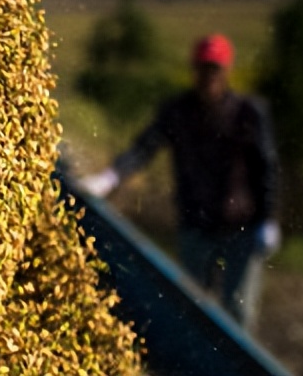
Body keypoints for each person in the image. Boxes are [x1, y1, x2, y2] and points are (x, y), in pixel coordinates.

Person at [79, 33, 281, 330]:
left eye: (214, 69)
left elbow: (266, 167)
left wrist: (268, 218)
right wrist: (110, 177)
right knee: (193, 311)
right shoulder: (178, 112)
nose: (208, 76)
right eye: (203, 68)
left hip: (240, 227)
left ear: (226, 71)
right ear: (194, 69)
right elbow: (144, 148)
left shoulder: (247, 113)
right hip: (196, 226)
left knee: (238, 311)